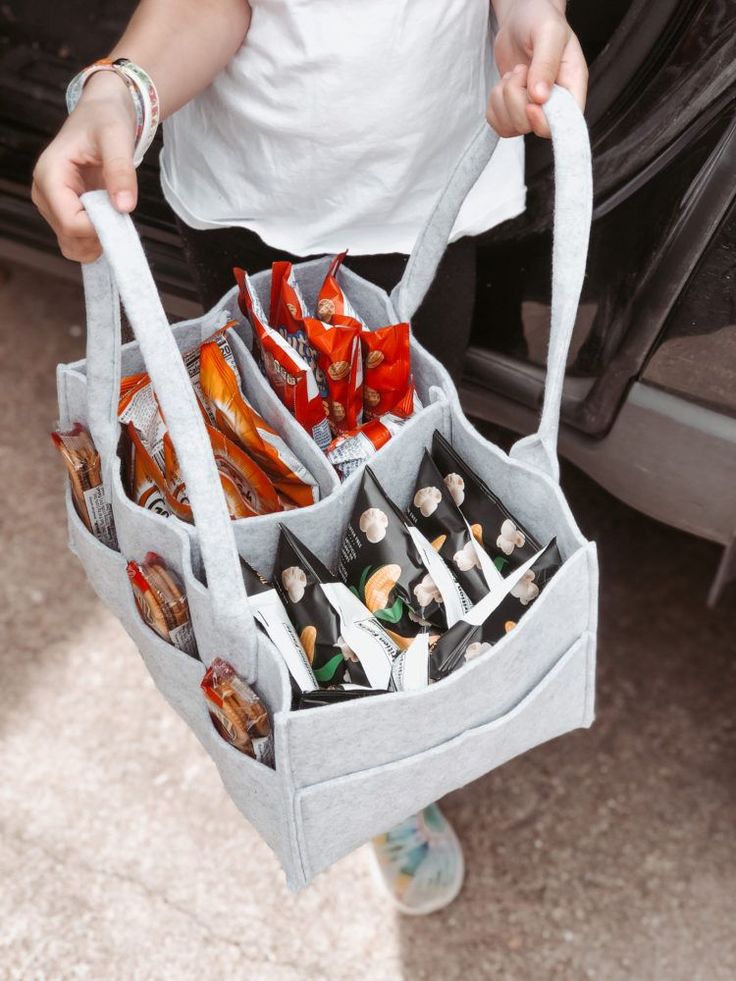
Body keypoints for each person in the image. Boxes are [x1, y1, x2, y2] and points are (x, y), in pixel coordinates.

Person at [32, 0, 587, 914]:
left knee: (406, 503)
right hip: (255, 188)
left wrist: (532, 15)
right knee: (273, 509)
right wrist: (121, 90)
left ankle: (390, 752)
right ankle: (333, 739)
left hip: (435, 183)